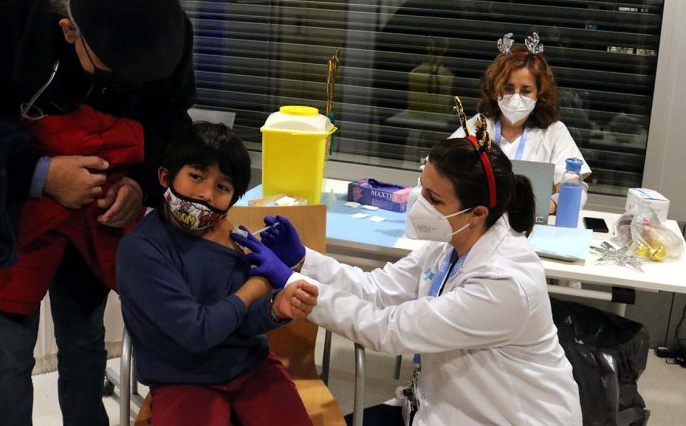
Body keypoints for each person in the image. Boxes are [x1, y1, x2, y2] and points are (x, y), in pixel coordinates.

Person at [0, 0, 195, 424]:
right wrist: (39, 174)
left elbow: (172, 123)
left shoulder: (166, 29)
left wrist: (139, 186)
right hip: (4, 216)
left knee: (85, 344)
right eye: (113, 73)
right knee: (8, 354)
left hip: (95, 217)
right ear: (69, 31)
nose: (130, 86)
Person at [235, 131, 582, 425]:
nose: (419, 203)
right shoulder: (452, 243)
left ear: (477, 213)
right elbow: (377, 290)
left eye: (433, 198)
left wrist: (294, 285)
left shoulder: (504, 283)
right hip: (438, 405)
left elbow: (390, 330)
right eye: (422, 187)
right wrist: (302, 261)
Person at [117, 122, 318, 426]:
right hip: (181, 378)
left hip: (250, 366)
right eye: (196, 176)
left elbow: (242, 321)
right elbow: (197, 333)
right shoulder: (142, 250)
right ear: (165, 176)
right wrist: (261, 283)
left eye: (222, 187)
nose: (206, 194)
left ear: (232, 199)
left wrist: (277, 308)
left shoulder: (232, 236)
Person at [451, 32, 591, 213]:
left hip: (530, 224)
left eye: (525, 91)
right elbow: (436, 170)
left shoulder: (554, 132)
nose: (516, 97)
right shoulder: (477, 126)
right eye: (508, 89)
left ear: (539, 94)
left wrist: (548, 206)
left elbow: (575, 188)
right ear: (495, 90)